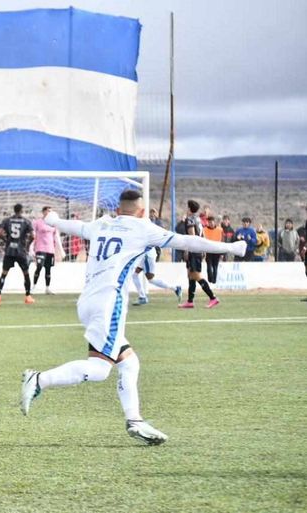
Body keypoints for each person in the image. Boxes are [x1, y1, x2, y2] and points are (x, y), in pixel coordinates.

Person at [20, 189, 246, 445]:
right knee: (99, 369)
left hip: (87, 301)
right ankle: (39, 379)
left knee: (129, 362)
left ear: (119, 208)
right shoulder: (142, 228)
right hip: (109, 303)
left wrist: (54, 221)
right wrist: (230, 247)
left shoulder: (102, 223)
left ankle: (135, 420)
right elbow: (187, 242)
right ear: (140, 211)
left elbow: (77, 227)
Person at [179, 200, 219, 308]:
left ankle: (213, 297)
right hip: (198, 250)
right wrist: (204, 248)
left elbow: (192, 237)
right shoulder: (198, 219)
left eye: (187, 207)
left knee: (195, 275)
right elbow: (203, 234)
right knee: (190, 275)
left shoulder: (190, 220)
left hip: (194, 251)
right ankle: (190, 301)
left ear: (189, 209)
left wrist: (187, 250)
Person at [0, 204, 34, 305]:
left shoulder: (7, 220)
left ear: (14, 210)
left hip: (9, 251)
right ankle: (28, 296)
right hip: (21, 251)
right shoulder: (26, 221)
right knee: (26, 274)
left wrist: (6, 240)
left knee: (4, 273)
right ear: (21, 210)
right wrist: (27, 246)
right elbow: (33, 236)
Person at [31, 206, 65, 294]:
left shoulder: (53, 224)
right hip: (40, 248)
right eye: (48, 211)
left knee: (48, 269)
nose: (50, 213)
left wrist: (61, 250)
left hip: (50, 250)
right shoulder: (37, 222)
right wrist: (30, 248)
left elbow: (56, 237)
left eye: (51, 211)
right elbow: (33, 236)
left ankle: (47, 288)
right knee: (39, 267)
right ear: (44, 212)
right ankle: (34, 286)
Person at [203, 216, 223, 283]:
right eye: (209, 222)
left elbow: (222, 241)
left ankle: (214, 280)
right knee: (209, 265)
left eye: (212, 222)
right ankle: (210, 279)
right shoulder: (204, 229)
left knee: (215, 266)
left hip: (217, 250)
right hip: (208, 250)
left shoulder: (220, 230)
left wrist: (222, 252)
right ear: (207, 222)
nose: (211, 223)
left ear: (214, 222)